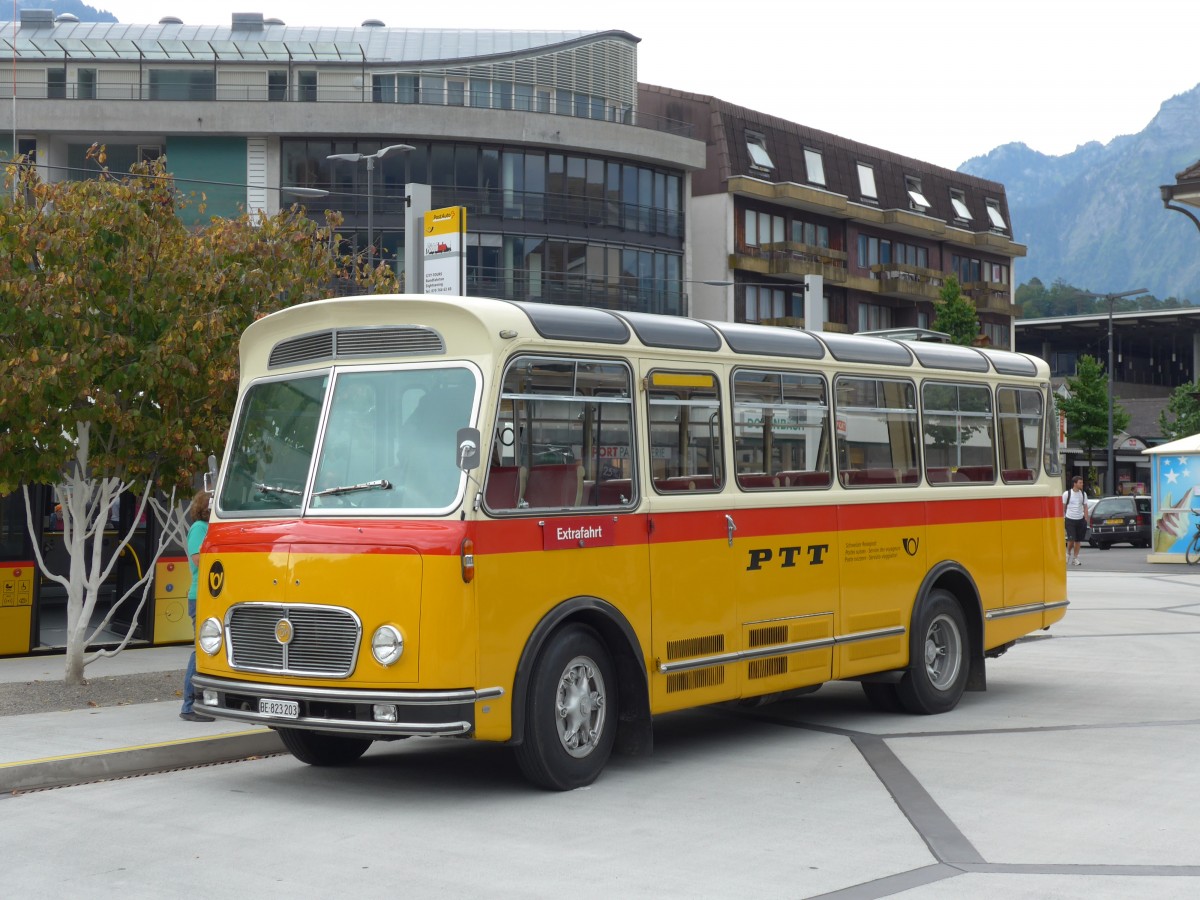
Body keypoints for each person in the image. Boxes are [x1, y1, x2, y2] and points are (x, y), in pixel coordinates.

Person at [180, 490, 215, 722]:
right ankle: (189, 705)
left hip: (209, 596)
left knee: (207, 649)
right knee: (201, 649)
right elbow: (197, 558)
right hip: (199, 596)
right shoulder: (199, 529)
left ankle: (199, 702)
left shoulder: (210, 529)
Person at [1062, 475, 1090, 568]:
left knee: (1078, 540)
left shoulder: (1083, 494)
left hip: (1080, 520)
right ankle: (1068, 553)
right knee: (1071, 539)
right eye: (1080, 482)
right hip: (1070, 519)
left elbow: (1085, 506)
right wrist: (1063, 517)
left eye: (1082, 482)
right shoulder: (1067, 494)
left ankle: (1075, 558)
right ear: (1075, 483)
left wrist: (1086, 519)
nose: (1082, 484)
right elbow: (1063, 507)